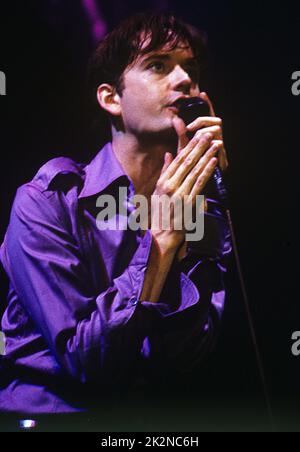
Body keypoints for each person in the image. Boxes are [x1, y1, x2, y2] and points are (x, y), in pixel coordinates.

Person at [0, 11, 231, 421]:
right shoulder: (47, 203)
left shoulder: (199, 209)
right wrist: (159, 245)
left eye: (190, 69)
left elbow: (187, 355)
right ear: (111, 98)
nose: (184, 81)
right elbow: (85, 359)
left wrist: (200, 214)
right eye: (158, 65)